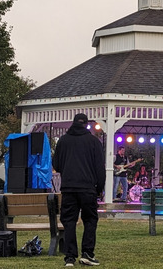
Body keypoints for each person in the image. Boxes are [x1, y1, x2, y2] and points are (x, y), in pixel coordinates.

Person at [52, 113, 105, 267]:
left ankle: (70, 257)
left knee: (69, 221)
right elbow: (99, 168)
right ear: (87, 124)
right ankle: (88, 253)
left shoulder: (63, 141)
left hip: (68, 188)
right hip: (88, 188)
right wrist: (99, 189)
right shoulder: (94, 142)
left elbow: (57, 164)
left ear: (73, 123)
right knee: (90, 220)